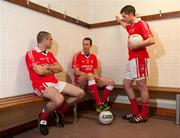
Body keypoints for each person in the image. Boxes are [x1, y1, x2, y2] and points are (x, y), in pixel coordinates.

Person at [25, 31, 85, 135]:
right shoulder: (31, 53)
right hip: (41, 84)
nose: (52, 42)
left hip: (54, 82)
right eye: (51, 40)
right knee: (59, 99)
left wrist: (46, 67)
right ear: (45, 40)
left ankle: (60, 111)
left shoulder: (50, 54)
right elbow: (39, 71)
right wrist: (52, 68)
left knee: (81, 93)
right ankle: (43, 117)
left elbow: (60, 68)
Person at [116, 5, 155, 123]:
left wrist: (137, 45)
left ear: (131, 14)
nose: (124, 19)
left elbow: (152, 39)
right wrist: (119, 21)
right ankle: (135, 112)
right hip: (131, 60)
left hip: (140, 59)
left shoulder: (141, 23)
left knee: (141, 86)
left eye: (124, 16)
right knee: (126, 84)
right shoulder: (132, 26)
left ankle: (143, 115)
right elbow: (125, 25)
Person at [72, 37, 115, 113]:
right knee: (90, 75)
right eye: (83, 44)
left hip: (91, 79)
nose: (85, 46)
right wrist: (90, 75)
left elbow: (95, 73)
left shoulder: (93, 56)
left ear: (90, 46)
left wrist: (98, 78)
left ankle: (102, 103)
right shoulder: (77, 55)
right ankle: (99, 104)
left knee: (111, 82)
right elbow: (76, 72)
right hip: (80, 80)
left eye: (87, 44)